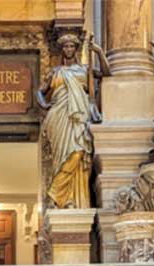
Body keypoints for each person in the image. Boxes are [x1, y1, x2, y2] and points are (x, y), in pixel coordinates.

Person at [38, 33, 108, 209]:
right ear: (62, 50)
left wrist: (99, 52)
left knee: (77, 152)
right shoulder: (56, 72)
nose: (68, 49)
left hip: (79, 116)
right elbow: (40, 91)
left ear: (76, 49)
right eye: (66, 47)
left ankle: (56, 193)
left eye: (72, 46)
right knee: (60, 156)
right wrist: (45, 105)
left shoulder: (86, 70)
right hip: (59, 114)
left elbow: (107, 73)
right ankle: (65, 199)